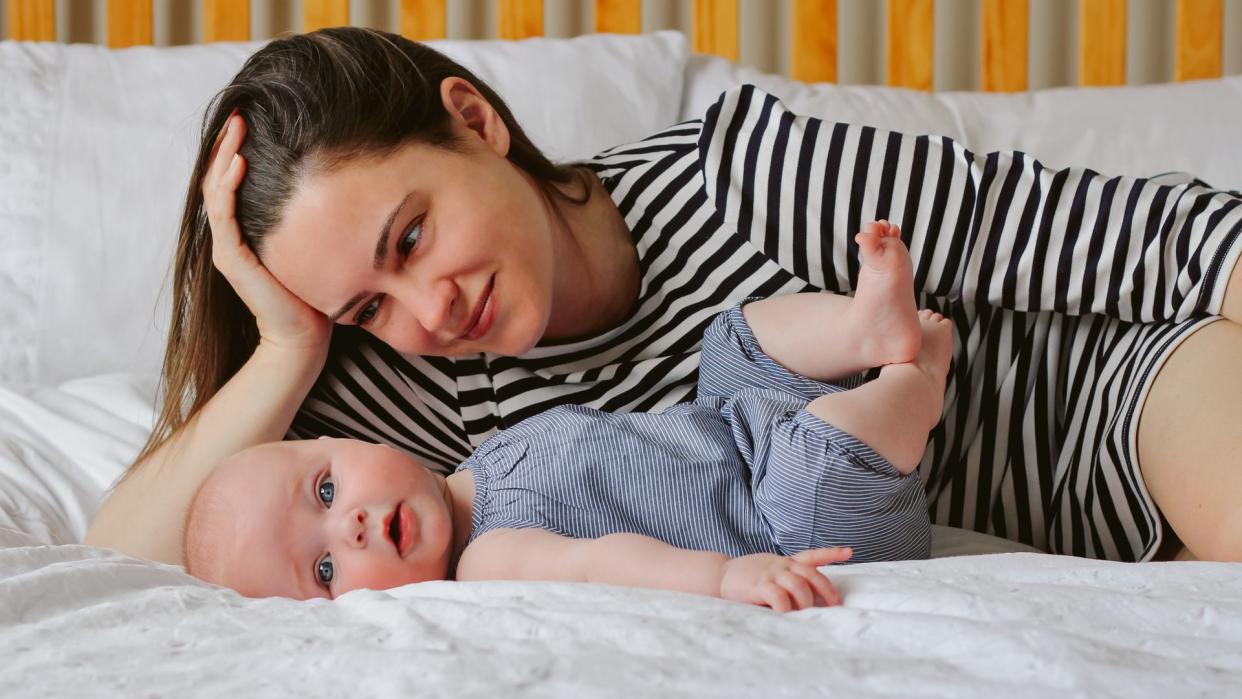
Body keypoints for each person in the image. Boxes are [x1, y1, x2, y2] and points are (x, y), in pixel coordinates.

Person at [86, 28, 1242, 567]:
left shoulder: (733, 173)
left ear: (476, 124)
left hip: (1111, 399)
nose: (427, 309)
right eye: (369, 303)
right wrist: (291, 345)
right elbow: (132, 562)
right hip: (1040, 554)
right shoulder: (415, 406)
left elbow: (1129, 232)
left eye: (411, 235)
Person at [183, 223, 950, 609]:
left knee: (732, 336)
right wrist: (724, 575)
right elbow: (602, 561)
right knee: (819, 456)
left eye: (325, 491)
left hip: (734, 428)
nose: (347, 527)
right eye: (324, 570)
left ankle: (865, 332)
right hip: (790, 524)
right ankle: (918, 376)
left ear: (347, 441)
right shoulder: (486, 559)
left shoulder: (482, 461)